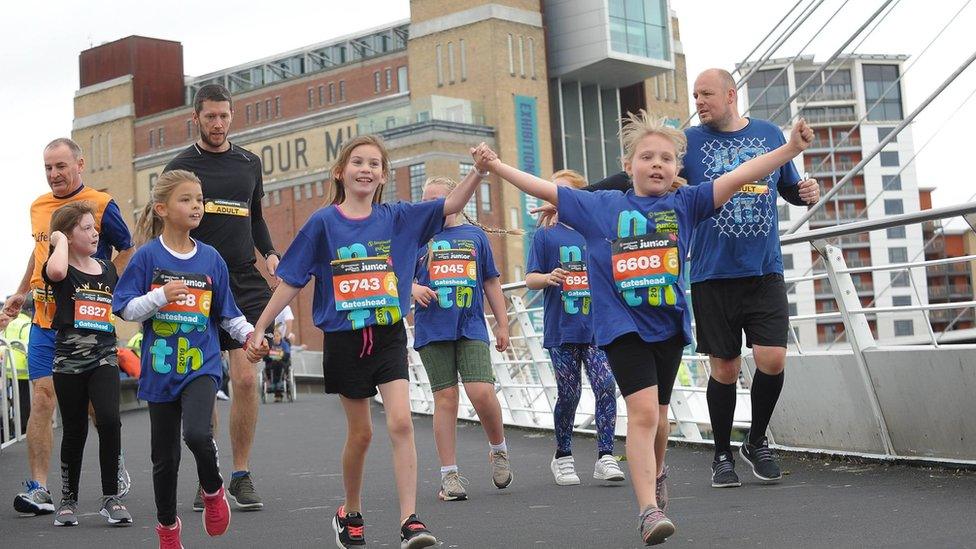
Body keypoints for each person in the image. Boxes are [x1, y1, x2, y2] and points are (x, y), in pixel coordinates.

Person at [483, 111, 812, 545]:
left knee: (658, 417)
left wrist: (790, 149)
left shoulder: (687, 203)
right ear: (629, 165)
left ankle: (658, 471)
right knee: (641, 413)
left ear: (677, 168)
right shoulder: (601, 207)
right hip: (620, 327)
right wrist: (494, 165)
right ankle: (647, 511)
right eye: (646, 157)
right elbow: (544, 188)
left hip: (669, 325)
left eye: (666, 158)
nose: (657, 164)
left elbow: (740, 175)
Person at [552, 69, 823, 488]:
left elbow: (783, 184)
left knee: (772, 359)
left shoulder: (770, 134)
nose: (698, 102)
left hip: (764, 266)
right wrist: (576, 197)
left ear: (731, 95)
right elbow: (638, 175)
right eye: (695, 94)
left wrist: (804, 191)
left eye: (706, 94)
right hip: (712, 270)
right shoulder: (688, 142)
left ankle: (756, 440)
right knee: (726, 368)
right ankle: (721, 455)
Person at [250, 135, 488, 549]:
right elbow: (292, 280)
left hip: (387, 334)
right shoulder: (323, 223)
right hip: (344, 340)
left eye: (375, 164)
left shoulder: (397, 217)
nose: (366, 169)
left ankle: (410, 520)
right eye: (358, 161)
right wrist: (261, 326)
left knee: (399, 421)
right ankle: (351, 512)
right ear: (340, 171)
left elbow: (450, 206)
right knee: (361, 434)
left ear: (382, 176)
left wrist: (479, 171)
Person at [113, 169, 268, 548]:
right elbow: (125, 308)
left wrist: (251, 336)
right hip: (160, 367)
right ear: (162, 208)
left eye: (199, 199)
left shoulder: (211, 259)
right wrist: (160, 297)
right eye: (186, 200)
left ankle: (214, 490)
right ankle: (168, 528)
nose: (196, 206)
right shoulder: (148, 256)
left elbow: (228, 315)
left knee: (198, 434)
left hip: (201, 364)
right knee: (163, 460)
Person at [1, 138, 134, 516]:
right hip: (45, 321)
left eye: (60, 166)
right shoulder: (39, 207)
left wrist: (109, 291)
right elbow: (40, 250)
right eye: (48, 167)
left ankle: (113, 466)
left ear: (80, 164)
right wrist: (19, 291)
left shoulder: (101, 203)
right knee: (42, 398)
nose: (54, 174)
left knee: (97, 409)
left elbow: (126, 247)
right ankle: (40, 488)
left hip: (88, 325)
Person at [163, 84, 275, 510]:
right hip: (196, 279)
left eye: (224, 116)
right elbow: (169, 228)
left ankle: (241, 474)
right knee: (202, 384)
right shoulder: (180, 167)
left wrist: (270, 254)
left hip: (244, 279)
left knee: (246, 377)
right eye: (210, 116)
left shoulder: (249, 163)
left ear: (233, 116)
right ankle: (206, 472)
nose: (218, 124)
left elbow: (257, 217)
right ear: (196, 117)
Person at [410, 176, 515, 502]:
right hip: (433, 328)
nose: (433, 207)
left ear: (457, 199)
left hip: (470, 326)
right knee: (446, 399)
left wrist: (502, 324)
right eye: (427, 200)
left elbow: (491, 282)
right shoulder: (415, 237)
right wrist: (412, 289)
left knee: (481, 392)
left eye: (439, 199)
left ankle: (498, 450)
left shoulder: (474, 236)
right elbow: (394, 276)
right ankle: (449, 476)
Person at [524, 169, 624, 487]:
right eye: (553, 191)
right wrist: (548, 277)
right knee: (569, 393)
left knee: (606, 385)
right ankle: (563, 455)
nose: (557, 197)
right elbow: (530, 278)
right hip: (562, 328)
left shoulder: (594, 230)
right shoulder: (545, 236)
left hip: (596, 327)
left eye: (564, 192)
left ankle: (606, 455)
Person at [41, 202, 131, 527]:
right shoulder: (59, 266)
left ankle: (111, 497)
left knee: (109, 420)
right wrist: (58, 240)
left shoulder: (107, 268)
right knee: (75, 430)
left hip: (105, 355)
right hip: (68, 360)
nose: (95, 233)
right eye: (86, 228)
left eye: (96, 228)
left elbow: (120, 305)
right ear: (67, 235)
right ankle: (68, 499)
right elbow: (56, 273)